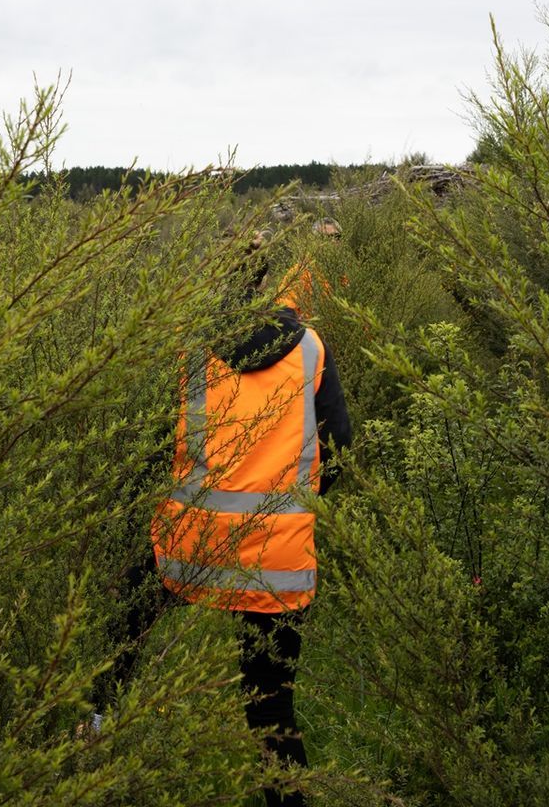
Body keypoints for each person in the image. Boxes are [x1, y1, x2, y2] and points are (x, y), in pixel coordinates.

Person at [117, 249, 352, 807]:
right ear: (264, 286)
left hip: (186, 551)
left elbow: (148, 456)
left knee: (121, 637)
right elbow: (339, 451)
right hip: (276, 563)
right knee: (271, 711)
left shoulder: (186, 352)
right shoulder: (311, 349)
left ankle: (96, 729)